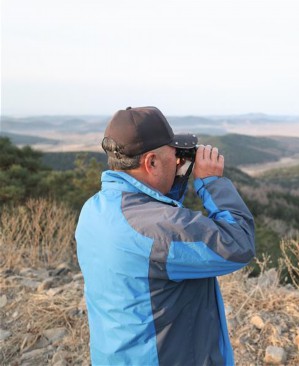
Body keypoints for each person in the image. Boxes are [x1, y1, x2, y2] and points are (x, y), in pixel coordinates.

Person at [76, 106, 255, 366]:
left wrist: (175, 180)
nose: (178, 161)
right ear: (151, 162)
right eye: (173, 155)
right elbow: (240, 244)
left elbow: (154, 222)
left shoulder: (95, 208)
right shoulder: (156, 230)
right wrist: (212, 183)